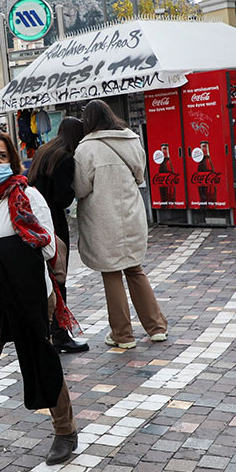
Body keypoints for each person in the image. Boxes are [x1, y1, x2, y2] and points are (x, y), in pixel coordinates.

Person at [0, 130, 77, 472]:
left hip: (27, 297)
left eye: (2, 156)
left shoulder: (28, 197)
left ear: (12, 159)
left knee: (40, 360)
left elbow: (48, 246)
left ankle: (65, 430)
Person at [74, 100, 168, 348]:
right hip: (131, 214)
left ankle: (123, 335)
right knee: (135, 268)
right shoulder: (132, 140)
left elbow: (81, 188)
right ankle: (156, 327)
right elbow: (140, 175)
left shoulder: (86, 149)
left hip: (103, 218)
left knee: (111, 273)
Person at [26, 117, 89, 354]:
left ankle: (46, 331)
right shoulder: (65, 157)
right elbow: (63, 197)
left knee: (45, 277)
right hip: (52, 221)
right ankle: (60, 333)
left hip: (36, 219)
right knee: (58, 276)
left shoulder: (45, 150)